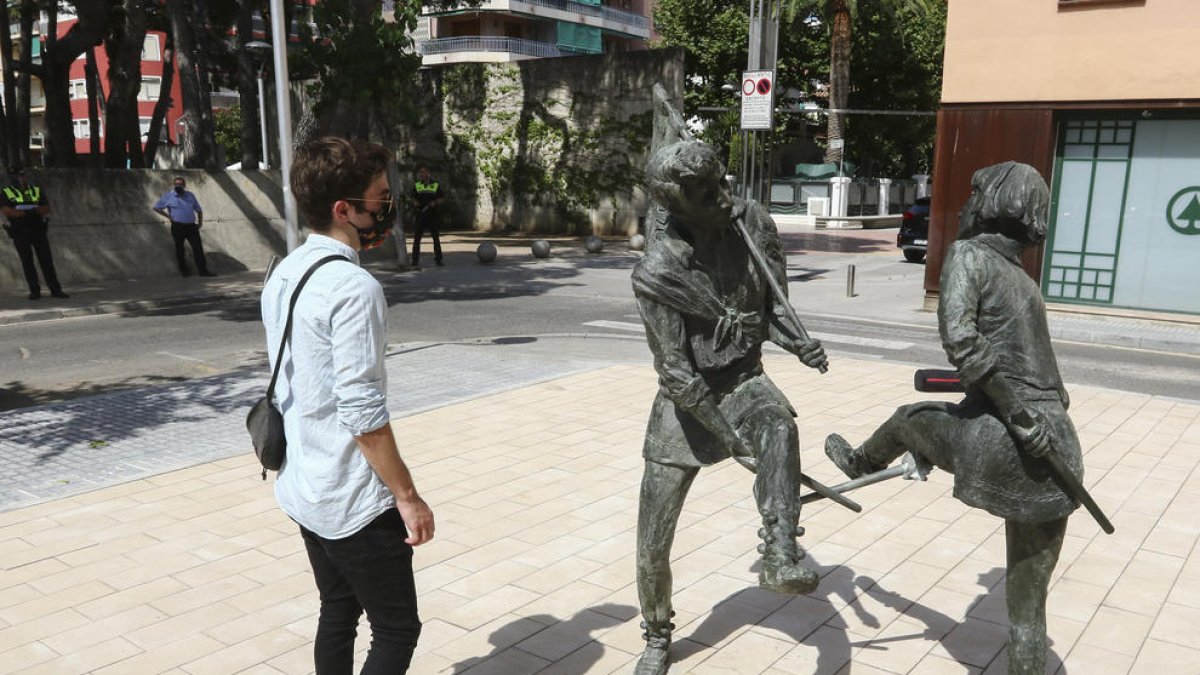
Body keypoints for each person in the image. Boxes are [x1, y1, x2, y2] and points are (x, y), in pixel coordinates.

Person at [824, 161, 1081, 675]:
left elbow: (963, 341)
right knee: (1029, 615)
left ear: (991, 207)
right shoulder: (1025, 284)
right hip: (1062, 450)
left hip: (1006, 438)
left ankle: (858, 463)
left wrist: (1012, 412)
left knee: (907, 417)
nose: (962, 206)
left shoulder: (968, 256)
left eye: (972, 194)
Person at [630, 140, 827, 675]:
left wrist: (797, 343)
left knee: (780, 428)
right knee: (652, 541)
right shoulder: (658, 271)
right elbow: (675, 373)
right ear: (678, 203)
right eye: (708, 192)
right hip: (687, 401)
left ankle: (781, 549)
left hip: (745, 381)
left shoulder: (753, 224)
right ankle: (656, 633)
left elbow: (772, 307)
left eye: (723, 182)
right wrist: (728, 439)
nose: (725, 197)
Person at [261, 136, 434, 673]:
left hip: (304, 485)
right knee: (397, 628)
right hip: (352, 498)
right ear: (344, 210)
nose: (386, 206)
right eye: (379, 197)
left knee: (337, 607)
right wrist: (408, 497)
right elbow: (363, 414)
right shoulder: (352, 287)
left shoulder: (285, 270)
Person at [2, 167, 67, 300]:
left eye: (22, 175)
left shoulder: (35, 190)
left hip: (37, 229)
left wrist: (35, 211)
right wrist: (23, 213)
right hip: (20, 230)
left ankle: (55, 290)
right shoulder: (6, 192)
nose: (21, 178)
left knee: (46, 261)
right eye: (17, 175)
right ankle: (35, 291)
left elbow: (46, 208)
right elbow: (6, 210)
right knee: (27, 262)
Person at [153, 176, 214, 277]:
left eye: (180, 184)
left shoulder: (190, 195)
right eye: (176, 184)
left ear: (184, 185)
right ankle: (184, 271)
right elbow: (156, 208)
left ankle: (203, 271)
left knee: (198, 249)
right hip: (178, 227)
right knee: (180, 249)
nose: (178, 186)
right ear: (174, 185)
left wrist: (200, 223)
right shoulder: (168, 196)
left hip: (191, 227)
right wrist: (168, 216)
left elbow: (198, 210)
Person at [409, 166, 444, 267]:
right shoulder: (417, 185)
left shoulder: (435, 185)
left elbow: (442, 199)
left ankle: (438, 259)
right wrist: (414, 202)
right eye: (420, 172)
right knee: (417, 239)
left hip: (432, 215)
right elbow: (412, 197)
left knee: (436, 238)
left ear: (428, 172)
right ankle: (415, 260)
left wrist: (435, 202)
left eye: (423, 172)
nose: (422, 174)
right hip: (420, 214)